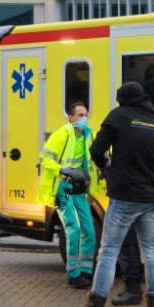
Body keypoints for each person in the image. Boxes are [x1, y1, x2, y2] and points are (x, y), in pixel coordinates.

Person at [64, 82, 154, 307]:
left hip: (124, 196)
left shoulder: (119, 116)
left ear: (123, 100)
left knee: (108, 252)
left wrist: (106, 166)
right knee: (151, 253)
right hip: (151, 197)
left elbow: (96, 149)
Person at [38, 101, 96, 289]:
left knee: (89, 231)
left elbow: (102, 153)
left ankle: (86, 271)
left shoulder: (90, 135)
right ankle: (73, 274)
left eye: (85, 115)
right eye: (80, 115)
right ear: (70, 118)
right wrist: (62, 170)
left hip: (80, 190)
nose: (83, 119)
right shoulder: (61, 135)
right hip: (63, 189)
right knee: (74, 229)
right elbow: (45, 158)